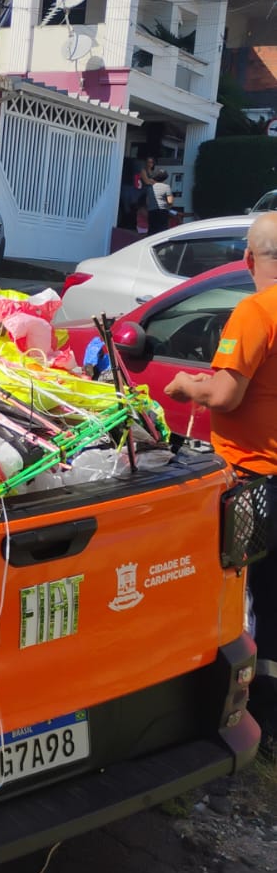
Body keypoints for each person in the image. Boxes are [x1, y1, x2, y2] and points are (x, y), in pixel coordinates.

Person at [165, 211, 277, 754]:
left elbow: (226, 394)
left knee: (243, 595)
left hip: (256, 479)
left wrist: (188, 384)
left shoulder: (256, 310)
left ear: (248, 260)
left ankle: (243, 714)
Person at [148, 168, 174, 235]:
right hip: (162, 212)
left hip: (152, 211)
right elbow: (170, 201)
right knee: (162, 231)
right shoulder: (166, 187)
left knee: (152, 230)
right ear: (165, 178)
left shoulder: (150, 187)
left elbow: (147, 200)